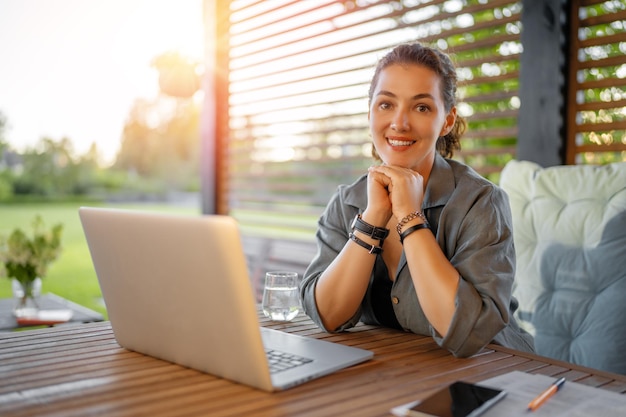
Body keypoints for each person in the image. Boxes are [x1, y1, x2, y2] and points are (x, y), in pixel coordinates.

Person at [299, 42, 534, 357]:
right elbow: (327, 314)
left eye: (421, 107)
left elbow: (466, 332)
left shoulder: (480, 201)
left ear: (447, 121)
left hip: (495, 372)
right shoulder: (348, 202)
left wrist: (410, 217)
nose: (399, 122)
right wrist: (372, 220)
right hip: (399, 372)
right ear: (370, 113)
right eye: (386, 104)